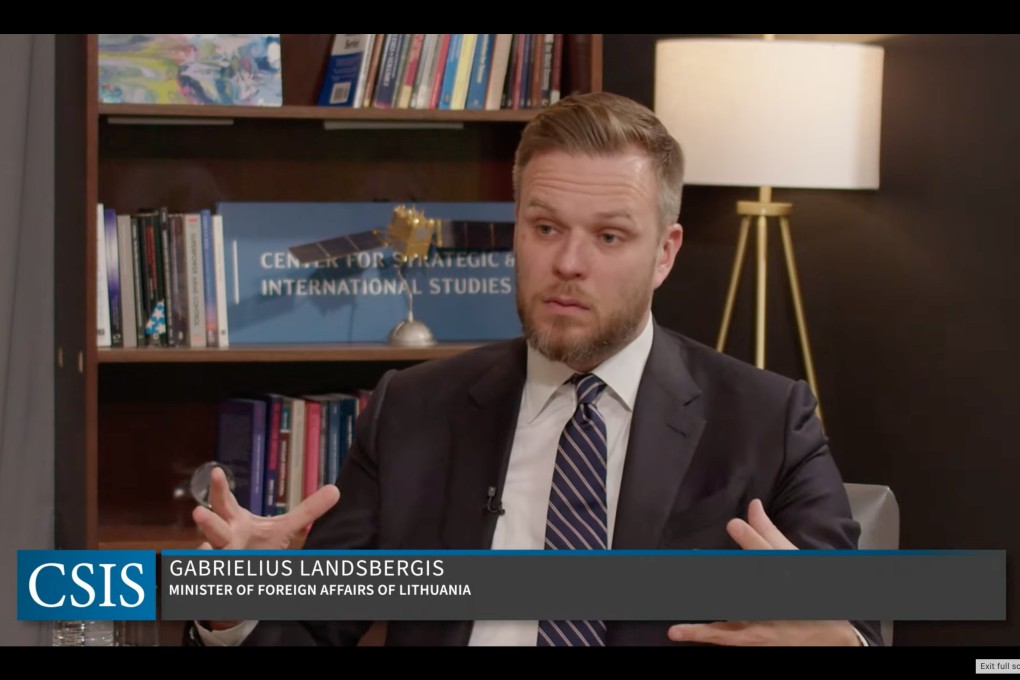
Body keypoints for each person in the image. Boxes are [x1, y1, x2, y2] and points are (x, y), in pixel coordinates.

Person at [187, 91, 880, 647]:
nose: (568, 263)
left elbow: (854, 626)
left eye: (609, 236)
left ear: (665, 253)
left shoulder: (764, 419)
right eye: (545, 228)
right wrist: (237, 606)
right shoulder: (415, 410)